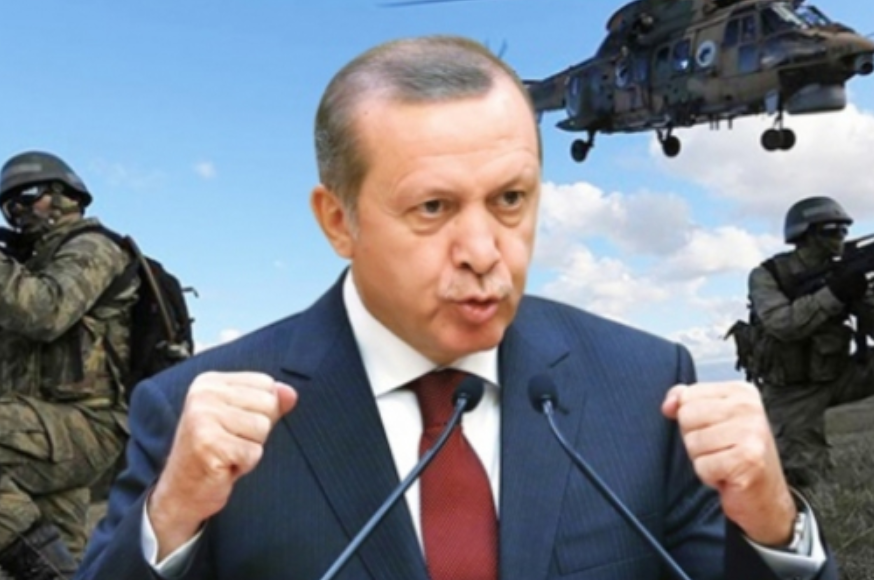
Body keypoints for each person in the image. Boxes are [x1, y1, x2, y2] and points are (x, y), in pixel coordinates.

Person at [76, 36, 836, 580]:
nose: (483, 251)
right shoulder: (193, 417)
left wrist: (775, 526)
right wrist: (170, 519)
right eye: (433, 207)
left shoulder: (646, 386)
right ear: (338, 221)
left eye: (510, 199)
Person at [0, 151, 136, 579]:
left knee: (39, 565)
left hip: (88, 424)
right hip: (37, 430)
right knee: (66, 557)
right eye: (8, 205)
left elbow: (46, 310)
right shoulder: (26, 268)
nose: (18, 210)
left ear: (66, 195)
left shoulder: (95, 248)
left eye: (27, 195)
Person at [746, 196, 874, 488]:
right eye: (831, 230)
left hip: (838, 374)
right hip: (792, 393)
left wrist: (862, 297)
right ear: (805, 235)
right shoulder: (768, 275)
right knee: (807, 480)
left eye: (843, 230)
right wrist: (835, 294)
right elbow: (783, 325)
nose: (840, 237)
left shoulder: (845, 271)